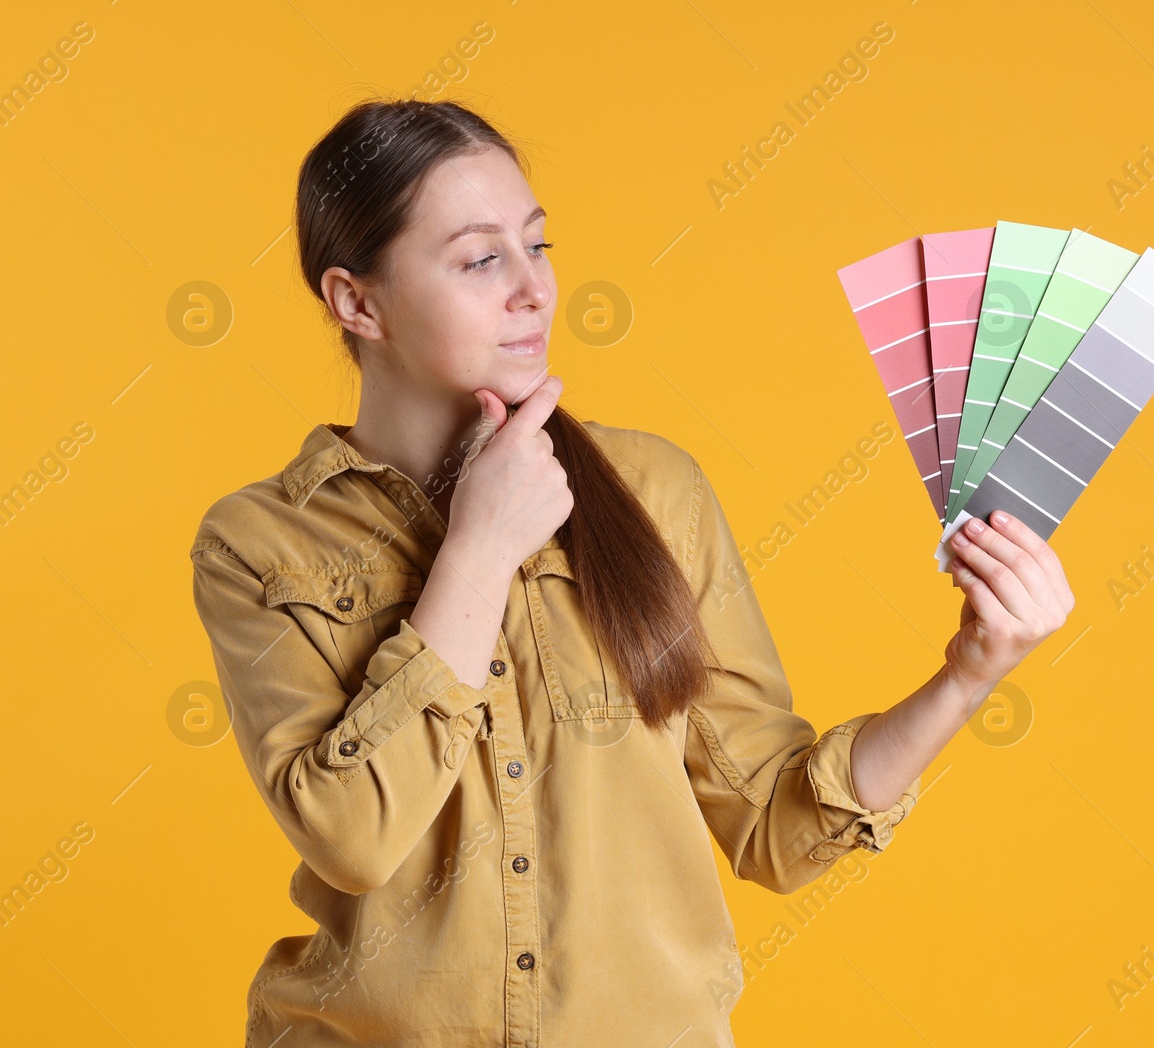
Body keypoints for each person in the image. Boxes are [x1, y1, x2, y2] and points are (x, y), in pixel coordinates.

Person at [188, 98, 1074, 1047]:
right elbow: (352, 834)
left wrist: (971, 670)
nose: (533, 288)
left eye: (539, 246)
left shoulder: (656, 491)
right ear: (356, 302)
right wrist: (480, 550)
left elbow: (775, 821)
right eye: (483, 258)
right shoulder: (260, 542)